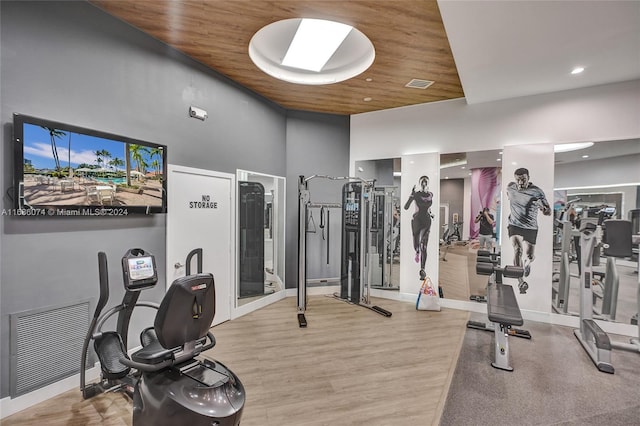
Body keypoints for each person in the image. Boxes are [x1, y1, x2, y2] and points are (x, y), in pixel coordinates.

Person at [506, 168, 551, 293]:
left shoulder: (537, 192)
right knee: (517, 249)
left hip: (530, 227)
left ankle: (527, 263)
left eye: (523, 179)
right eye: (518, 179)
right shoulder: (510, 187)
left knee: (530, 255)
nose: (520, 182)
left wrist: (542, 207)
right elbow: (510, 197)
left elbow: (548, 212)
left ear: (528, 178)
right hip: (514, 225)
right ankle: (520, 282)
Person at [404, 175, 434, 280]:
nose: (424, 183)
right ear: (420, 182)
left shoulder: (431, 195)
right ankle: (417, 251)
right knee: (416, 245)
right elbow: (406, 207)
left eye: (426, 181)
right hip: (417, 220)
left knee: (424, 246)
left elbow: (428, 207)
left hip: (426, 221)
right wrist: (411, 195)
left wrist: (431, 213)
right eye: (422, 181)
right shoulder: (416, 194)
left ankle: (422, 269)